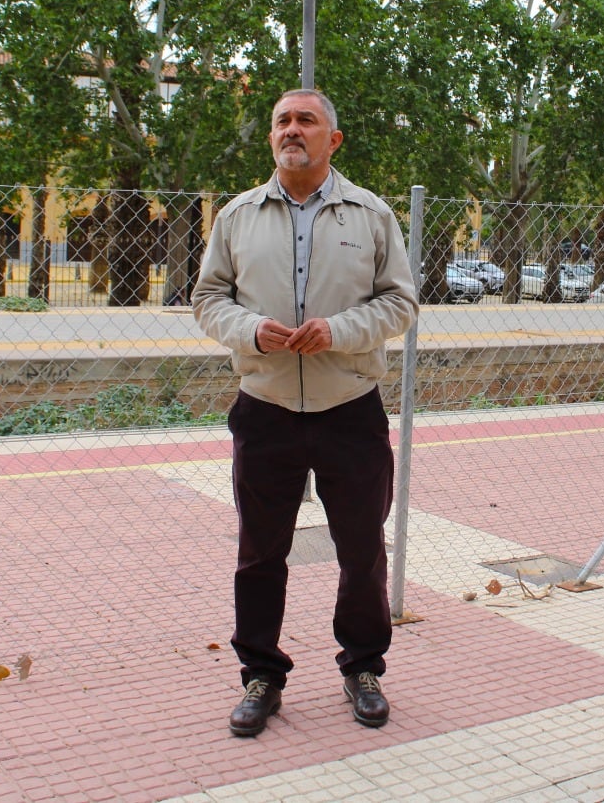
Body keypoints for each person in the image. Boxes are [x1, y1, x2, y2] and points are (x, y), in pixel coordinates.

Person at [192, 89, 420, 738]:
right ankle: (261, 675)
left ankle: (363, 669)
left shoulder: (372, 215)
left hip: (350, 407)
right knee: (260, 553)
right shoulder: (237, 217)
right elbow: (208, 298)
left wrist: (341, 330)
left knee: (362, 550)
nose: (293, 130)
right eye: (283, 122)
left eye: (306, 121)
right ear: (271, 138)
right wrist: (250, 330)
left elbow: (400, 303)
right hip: (263, 408)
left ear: (333, 140)